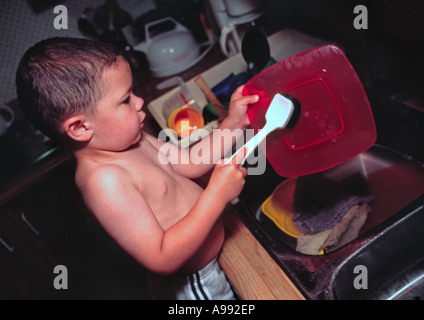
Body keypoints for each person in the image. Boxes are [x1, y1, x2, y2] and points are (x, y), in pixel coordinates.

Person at [16, 37, 259, 300]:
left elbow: (190, 162)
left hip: (222, 255)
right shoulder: (104, 181)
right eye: (125, 100)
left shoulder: (134, 140)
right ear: (81, 128)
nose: (140, 101)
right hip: (197, 286)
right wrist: (217, 195)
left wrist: (234, 124)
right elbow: (161, 257)